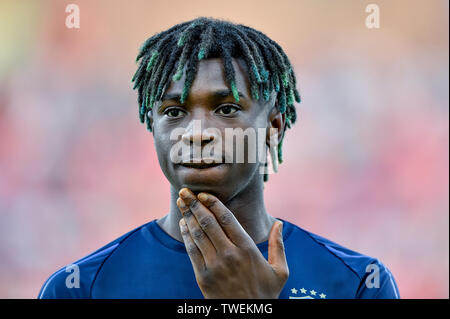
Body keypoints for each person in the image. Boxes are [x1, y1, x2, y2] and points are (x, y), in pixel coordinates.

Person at [38, 17, 400, 299]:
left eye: (226, 108)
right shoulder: (79, 288)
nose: (196, 131)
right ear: (152, 126)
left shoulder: (359, 284)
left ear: (274, 125)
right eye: (174, 111)